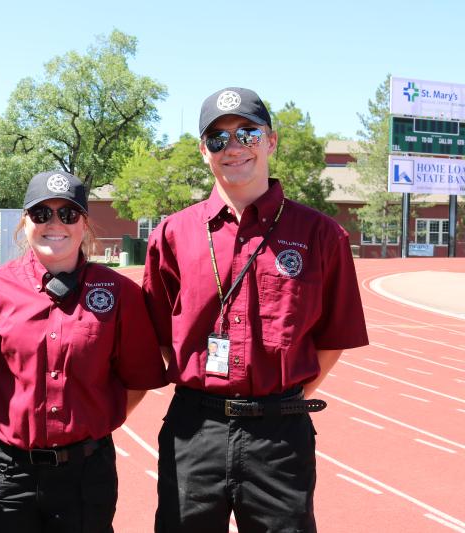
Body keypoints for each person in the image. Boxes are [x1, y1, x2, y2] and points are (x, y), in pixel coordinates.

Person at [143, 88, 369, 532]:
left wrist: (285, 398)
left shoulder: (321, 234)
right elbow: (157, 332)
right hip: (194, 430)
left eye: (247, 133)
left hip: (280, 434)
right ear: (203, 150)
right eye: (218, 138)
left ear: (271, 141)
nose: (234, 147)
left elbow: (333, 337)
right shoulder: (172, 234)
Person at [0, 170, 167, 532]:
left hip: (86, 474)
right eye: (42, 214)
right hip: (9, 474)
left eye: (68, 214)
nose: (55, 223)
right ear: (25, 222)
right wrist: (18, 418)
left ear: (84, 224)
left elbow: (137, 379)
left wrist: (93, 418)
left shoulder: (120, 294)